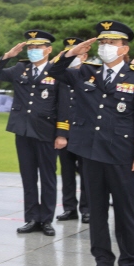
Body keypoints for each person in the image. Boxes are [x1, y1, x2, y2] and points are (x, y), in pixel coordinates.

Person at [52, 21, 134, 266]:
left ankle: (128, 265)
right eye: (102, 42)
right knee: (97, 212)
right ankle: (103, 263)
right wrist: (72, 52)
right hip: (90, 154)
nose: (105, 47)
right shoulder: (85, 72)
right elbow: (55, 70)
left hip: (122, 156)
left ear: (124, 48)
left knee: (124, 213)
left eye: (111, 43)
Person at [0, 30, 69, 236]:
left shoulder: (57, 71)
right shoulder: (20, 68)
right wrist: (7, 56)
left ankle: (46, 220)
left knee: (47, 178)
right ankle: (31, 218)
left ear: (49, 49)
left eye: (38, 47)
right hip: (23, 130)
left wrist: (62, 134)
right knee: (28, 177)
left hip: (47, 131)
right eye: (31, 47)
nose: (34, 51)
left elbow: (64, 105)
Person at [56, 37, 90, 224]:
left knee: (87, 174)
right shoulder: (63, 75)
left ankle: (87, 209)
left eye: (77, 53)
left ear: (85, 56)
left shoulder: (91, 74)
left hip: (84, 134)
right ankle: (69, 208)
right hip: (65, 133)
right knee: (67, 174)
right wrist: (60, 133)